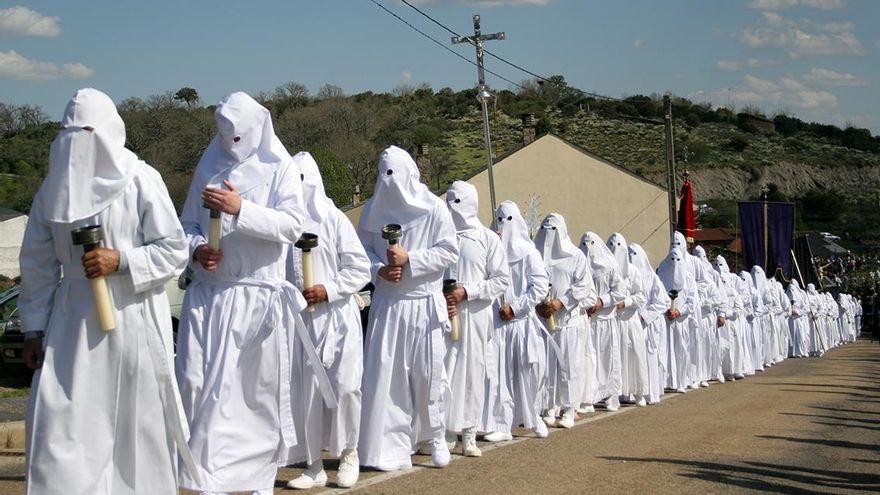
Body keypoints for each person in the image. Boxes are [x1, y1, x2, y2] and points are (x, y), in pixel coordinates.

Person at [20, 88, 192, 494]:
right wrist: (33, 328)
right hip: (71, 328)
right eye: (69, 134)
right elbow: (38, 265)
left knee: (135, 431)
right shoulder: (51, 191)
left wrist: (122, 261)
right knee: (62, 433)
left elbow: (175, 250)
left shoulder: (141, 180)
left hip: (132, 317)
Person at [176, 92, 310, 494]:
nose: (230, 144)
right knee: (200, 389)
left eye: (239, 135)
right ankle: (205, 480)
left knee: (252, 396)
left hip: (256, 297)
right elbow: (186, 224)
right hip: (210, 295)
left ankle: (257, 481)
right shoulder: (208, 164)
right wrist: (197, 250)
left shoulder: (280, 167)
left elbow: (292, 226)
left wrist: (240, 209)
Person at [357, 145, 459, 471]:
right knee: (388, 378)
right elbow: (360, 255)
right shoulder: (371, 211)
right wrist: (379, 271)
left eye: (394, 174)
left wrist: (410, 259)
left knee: (429, 376)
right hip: (388, 305)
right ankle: (389, 447)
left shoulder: (434, 209)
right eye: (382, 174)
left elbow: (448, 252)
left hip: (424, 303)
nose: (389, 182)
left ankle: (435, 436)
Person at [281, 152, 371, 490]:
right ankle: (313, 463)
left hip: (336, 318)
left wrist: (329, 289)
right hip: (302, 323)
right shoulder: (284, 225)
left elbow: (360, 268)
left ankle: (349, 453)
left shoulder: (333, 219)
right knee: (306, 393)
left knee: (346, 387)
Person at [442, 181, 510, 456]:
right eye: (448, 200)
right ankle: (443, 431)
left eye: (456, 201)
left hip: (475, 316)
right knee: (444, 371)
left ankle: (469, 432)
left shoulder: (487, 239)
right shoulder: (439, 237)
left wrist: (467, 292)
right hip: (443, 313)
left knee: (471, 373)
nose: (451, 206)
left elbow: (501, 279)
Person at [483, 200, 550, 441]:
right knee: (499, 374)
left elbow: (540, 285)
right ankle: (502, 424)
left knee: (529, 371)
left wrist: (517, 307)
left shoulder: (529, 252)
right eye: (499, 219)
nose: (504, 224)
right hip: (499, 325)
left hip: (522, 324)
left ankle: (535, 417)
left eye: (508, 219)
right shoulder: (491, 251)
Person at [535, 214, 595, 428]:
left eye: (553, 230)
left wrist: (562, 302)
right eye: (545, 229)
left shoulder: (576, 256)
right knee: (547, 367)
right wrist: (539, 304)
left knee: (569, 365)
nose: (548, 235)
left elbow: (583, 286)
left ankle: (569, 409)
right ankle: (550, 406)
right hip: (544, 321)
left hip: (568, 321)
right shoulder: (536, 254)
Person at [579, 232, 624, 411]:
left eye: (590, 243)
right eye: (583, 244)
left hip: (605, 320)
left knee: (607, 360)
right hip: (587, 321)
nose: (587, 248)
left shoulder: (610, 267)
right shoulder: (580, 266)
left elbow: (620, 292)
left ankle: (611, 396)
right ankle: (588, 398)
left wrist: (601, 301)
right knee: (589, 360)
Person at [607, 233, 649, 406]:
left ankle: (639, 392)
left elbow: (641, 296)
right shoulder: (605, 270)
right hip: (613, 322)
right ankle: (612, 395)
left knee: (635, 357)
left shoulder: (633, 271)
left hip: (630, 322)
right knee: (613, 359)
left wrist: (626, 303)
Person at [627, 243, 671, 404]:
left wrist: (644, 315)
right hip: (632, 322)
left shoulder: (652, 277)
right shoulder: (627, 276)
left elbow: (662, 302)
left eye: (634, 254)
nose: (631, 258)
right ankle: (632, 393)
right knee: (634, 358)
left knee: (649, 358)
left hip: (648, 324)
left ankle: (650, 393)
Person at [656, 246, 698, 393]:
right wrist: (666, 309)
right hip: (665, 319)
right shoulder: (661, 274)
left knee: (681, 350)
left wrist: (679, 312)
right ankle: (665, 381)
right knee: (664, 350)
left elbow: (692, 301)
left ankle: (681, 380)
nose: (675, 262)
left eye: (678, 260)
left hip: (681, 321)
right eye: (672, 259)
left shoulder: (688, 278)